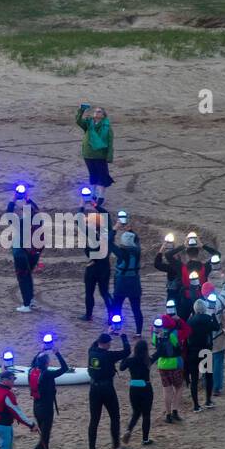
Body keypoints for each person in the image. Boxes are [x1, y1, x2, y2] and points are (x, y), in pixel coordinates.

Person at [23, 348, 70, 449]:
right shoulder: (47, 374)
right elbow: (64, 368)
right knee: (44, 439)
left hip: (36, 407)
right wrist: (57, 353)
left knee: (44, 438)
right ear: (46, 363)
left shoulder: (32, 371)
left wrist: (40, 350)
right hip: (46, 409)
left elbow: (33, 362)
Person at [86, 331, 132, 449]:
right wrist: (123, 336)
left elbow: (94, 343)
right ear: (106, 344)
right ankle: (116, 446)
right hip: (106, 388)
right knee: (114, 416)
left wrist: (107, 332)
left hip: (93, 388)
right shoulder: (108, 355)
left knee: (94, 419)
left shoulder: (91, 351)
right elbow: (127, 351)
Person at [7, 184, 43, 312]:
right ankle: (31, 300)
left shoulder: (20, 223)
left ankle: (27, 304)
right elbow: (36, 210)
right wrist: (27, 199)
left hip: (20, 253)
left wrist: (14, 199)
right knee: (28, 277)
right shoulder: (39, 221)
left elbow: (8, 214)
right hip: (34, 253)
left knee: (23, 278)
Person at [79, 191, 113, 323]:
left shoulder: (90, 233)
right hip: (105, 266)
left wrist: (82, 204)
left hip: (92, 266)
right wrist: (94, 204)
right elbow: (106, 215)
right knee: (105, 292)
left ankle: (88, 315)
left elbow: (78, 219)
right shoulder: (107, 232)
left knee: (89, 292)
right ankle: (112, 317)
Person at [108, 210, 143, 334]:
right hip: (134, 283)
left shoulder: (121, 253)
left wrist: (115, 228)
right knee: (136, 309)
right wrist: (130, 230)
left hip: (122, 282)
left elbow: (108, 242)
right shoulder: (137, 251)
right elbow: (136, 240)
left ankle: (115, 327)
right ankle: (138, 332)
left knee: (116, 306)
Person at [152, 311, 186, 424]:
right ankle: (175, 410)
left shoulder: (156, 333)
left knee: (166, 390)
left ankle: (168, 414)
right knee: (179, 387)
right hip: (175, 363)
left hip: (162, 364)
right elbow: (178, 345)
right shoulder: (174, 333)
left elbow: (154, 344)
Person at [76, 104, 114, 201]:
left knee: (102, 174)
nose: (96, 113)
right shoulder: (88, 124)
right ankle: (93, 193)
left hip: (100, 155)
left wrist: (109, 156)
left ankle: (101, 196)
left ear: (103, 115)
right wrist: (81, 110)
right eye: (95, 111)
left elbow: (110, 142)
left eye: (99, 111)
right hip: (88, 153)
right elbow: (78, 121)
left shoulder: (107, 127)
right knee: (92, 173)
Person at [185, 298, 218, 412]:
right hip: (205, 351)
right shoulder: (208, 319)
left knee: (194, 379)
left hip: (193, 352)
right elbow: (216, 327)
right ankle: (208, 401)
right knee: (208, 376)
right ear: (204, 308)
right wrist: (213, 315)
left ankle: (196, 406)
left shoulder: (190, 321)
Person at [120, 338, 154, 446]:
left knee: (136, 412)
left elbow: (121, 368)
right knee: (146, 414)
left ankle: (128, 430)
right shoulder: (147, 360)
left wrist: (125, 355)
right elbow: (158, 354)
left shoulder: (131, 360)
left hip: (134, 387)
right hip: (145, 386)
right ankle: (145, 439)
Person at [208, 292, 225, 396]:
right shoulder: (220, 300)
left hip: (207, 339)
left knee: (208, 362)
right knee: (218, 362)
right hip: (219, 338)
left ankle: (207, 384)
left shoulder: (201, 305)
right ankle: (216, 388)